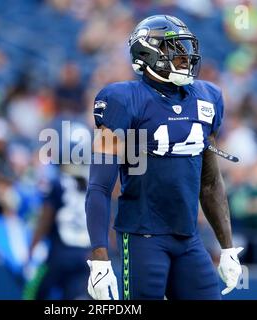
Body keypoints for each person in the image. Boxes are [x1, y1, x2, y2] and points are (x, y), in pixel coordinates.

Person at [85, 15, 243, 300]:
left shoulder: (207, 98)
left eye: (185, 48)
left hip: (188, 238)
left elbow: (209, 182)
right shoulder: (123, 99)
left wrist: (227, 247)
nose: (185, 57)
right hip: (142, 238)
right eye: (175, 49)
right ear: (147, 54)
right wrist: (99, 255)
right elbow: (99, 186)